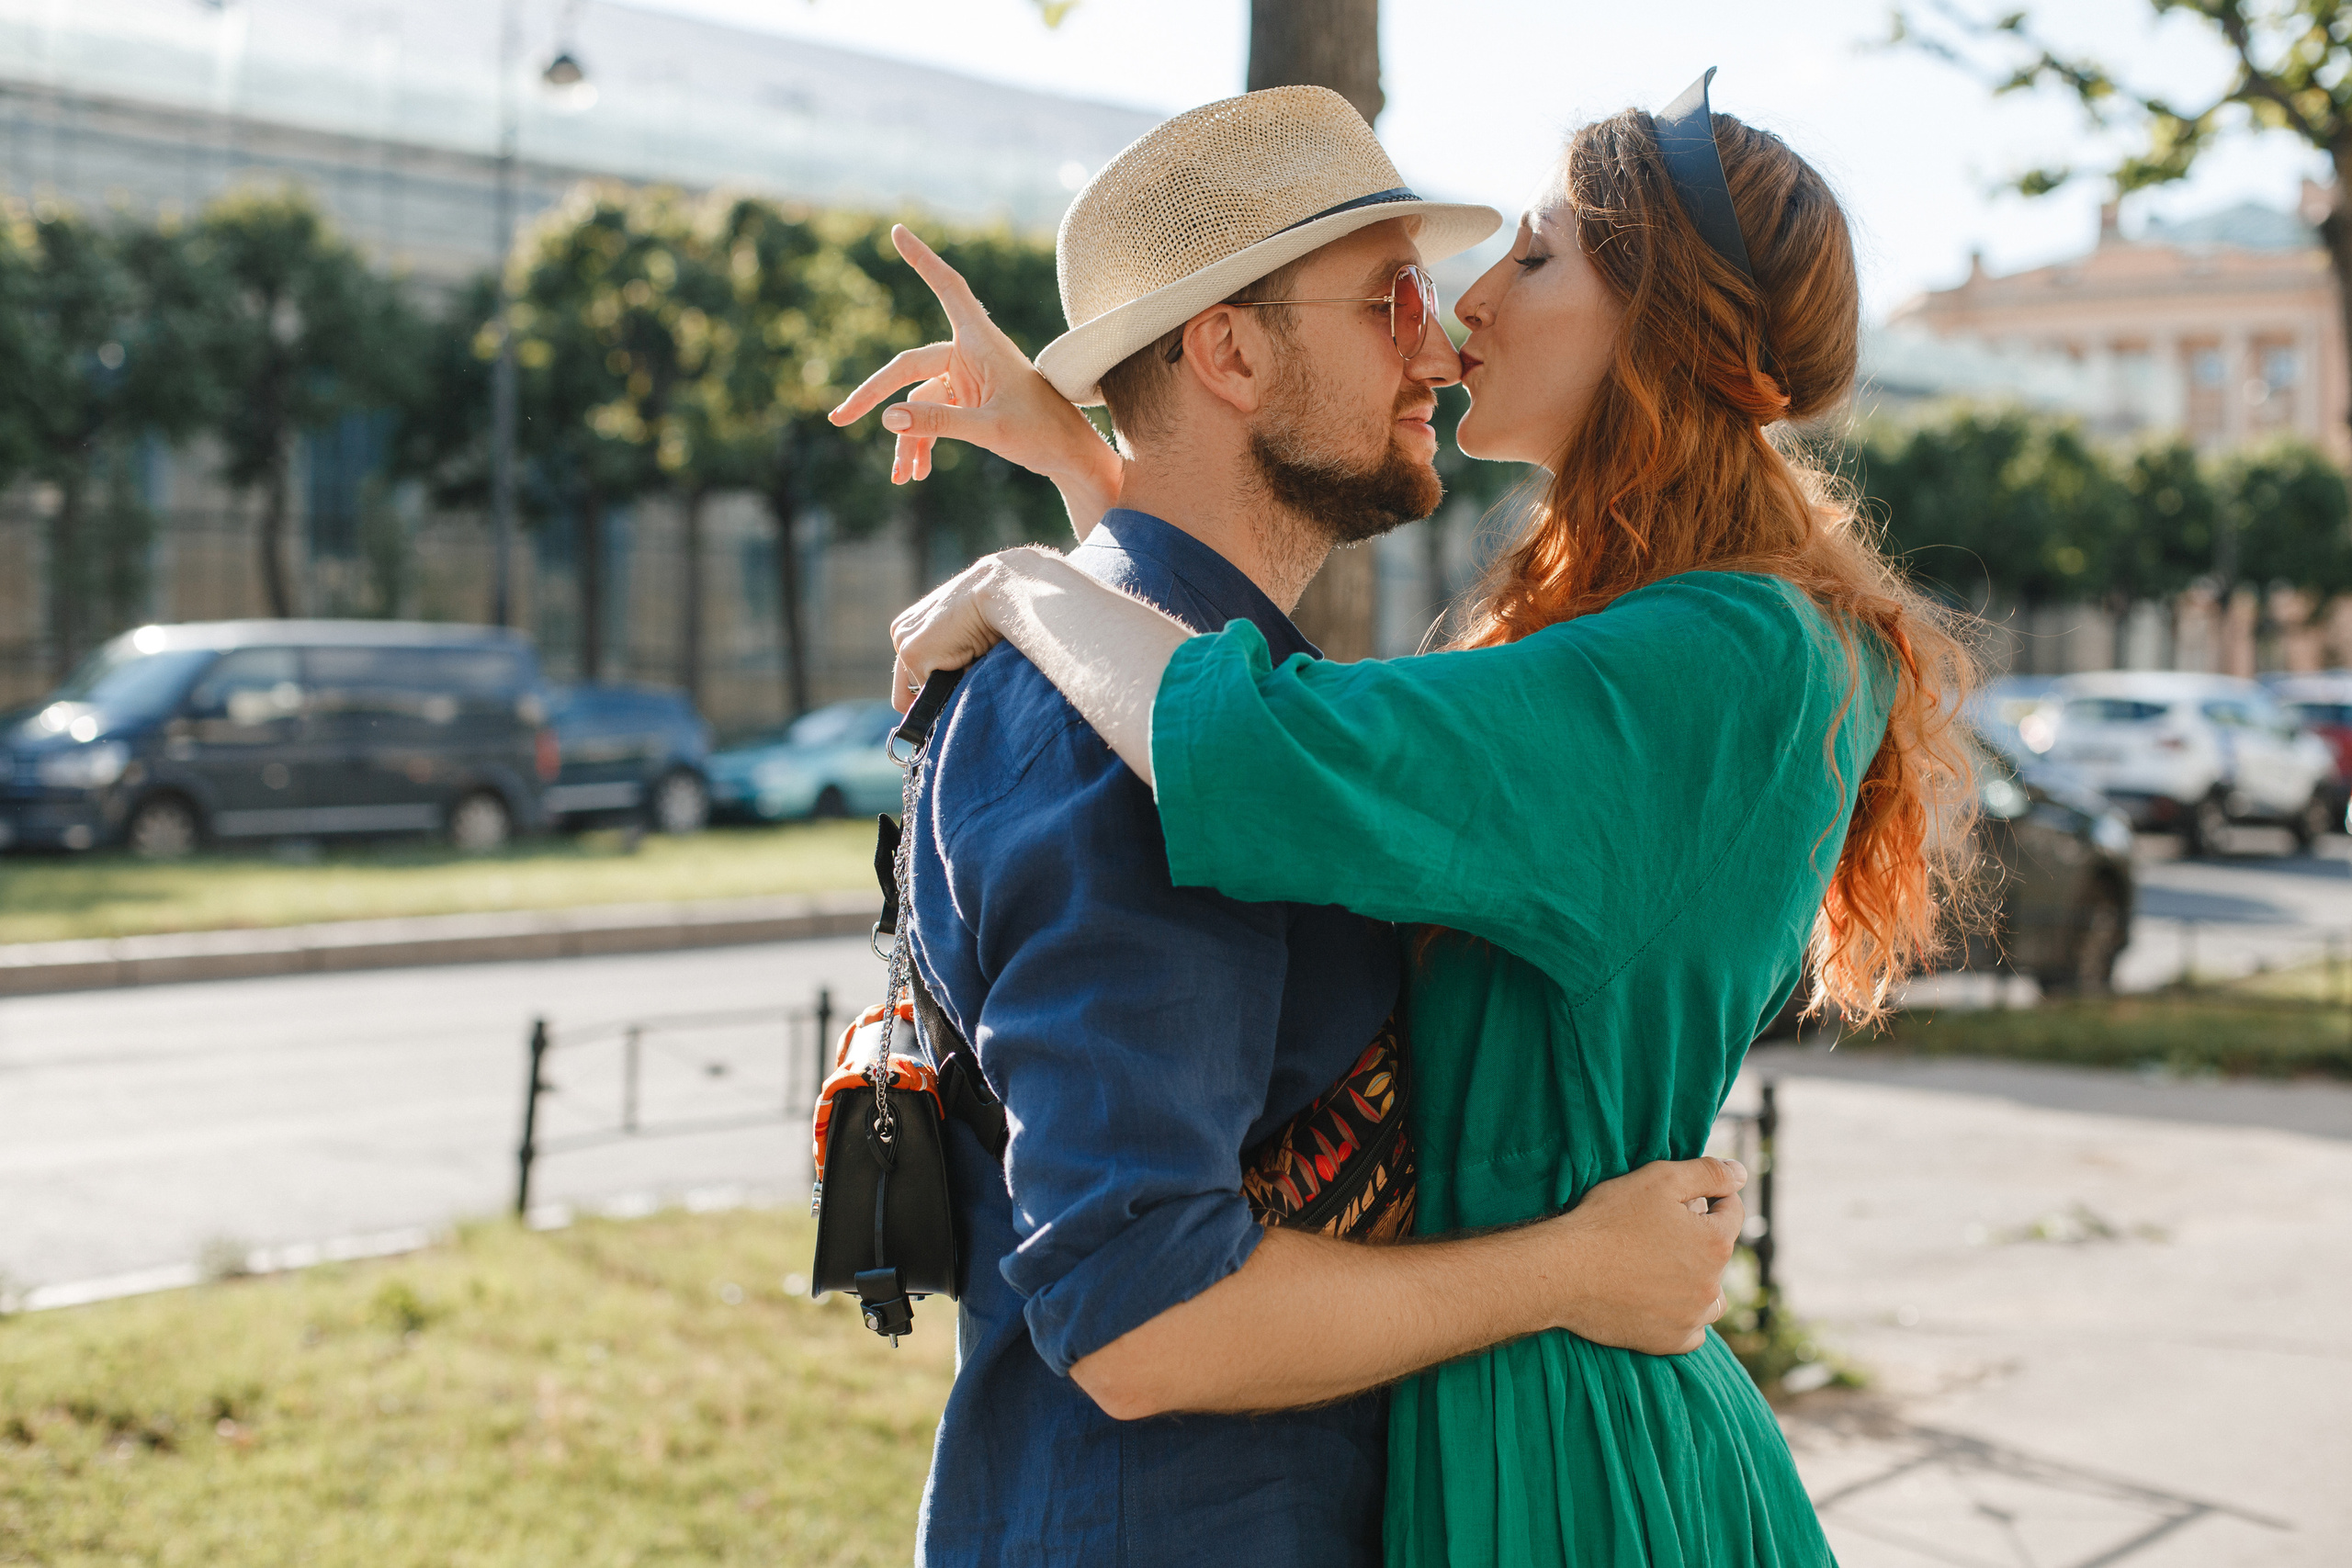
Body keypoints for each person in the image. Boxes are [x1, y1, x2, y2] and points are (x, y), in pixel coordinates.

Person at [847, 75, 1982, 1567]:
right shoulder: (1135, 719)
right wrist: (1089, 501)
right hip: (1465, 1433)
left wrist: (1031, 576)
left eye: (1528, 257)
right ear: (1229, 353)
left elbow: (1256, 739)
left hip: (1553, 1442)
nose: (1450, 328)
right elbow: (1144, 1307)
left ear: (1660, 327)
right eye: (1391, 296)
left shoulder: (1711, 659)